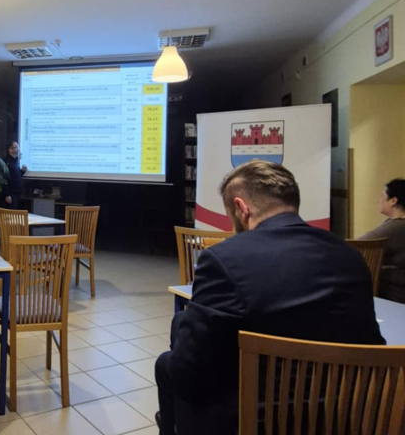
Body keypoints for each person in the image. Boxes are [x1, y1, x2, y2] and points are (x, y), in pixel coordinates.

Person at [155, 160, 384, 435]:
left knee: (167, 365)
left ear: (241, 208)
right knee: (181, 324)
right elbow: (372, 343)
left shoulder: (225, 258)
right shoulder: (351, 256)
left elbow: (187, 371)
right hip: (341, 415)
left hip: (256, 420)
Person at [357, 178, 405, 302]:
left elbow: (356, 244)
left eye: (382, 196)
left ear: (393, 201)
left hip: (395, 293)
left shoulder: (397, 227)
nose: (379, 200)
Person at [2, 141, 27, 209]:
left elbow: (14, 175)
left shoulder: (15, 161)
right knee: (12, 213)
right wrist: (7, 195)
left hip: (18, 193)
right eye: (12, 148)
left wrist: (22, 171)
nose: (15, 149)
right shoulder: (6, 162)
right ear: (8, 150)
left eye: (16, 147)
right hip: (11, 194)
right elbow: (3, 179)